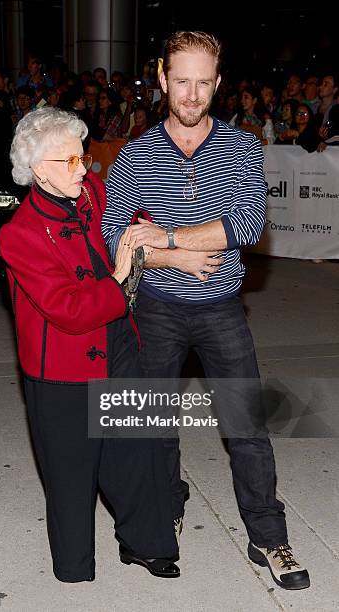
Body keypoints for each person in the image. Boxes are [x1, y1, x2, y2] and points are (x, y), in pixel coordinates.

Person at [102, 30, 310, 591]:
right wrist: (186, 253)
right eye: (181, 81)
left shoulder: (241, 147)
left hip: (222, 310)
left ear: (217, 84)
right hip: (157, 310)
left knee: (248, 426)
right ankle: (165, 505)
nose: (192, 94)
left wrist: (164, 238)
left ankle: (268, 536)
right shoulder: (136, 153)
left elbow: (245, 226)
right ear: (163, 80)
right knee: (155, 425)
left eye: (203, 82)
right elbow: (113, 235)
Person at [0, 106, 180, 583]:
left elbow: (135, 208)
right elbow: (69, 311)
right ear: (39, 170)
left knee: (135, 449)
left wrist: (158, 233)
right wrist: (118, 279)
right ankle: (76, 564)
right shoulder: (19, 234)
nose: (84, 167)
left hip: (117, 340)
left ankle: (146, 543)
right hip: (61, 364)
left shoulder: (93, 193)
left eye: (83, 157)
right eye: (70, 161)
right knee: (71, 470)